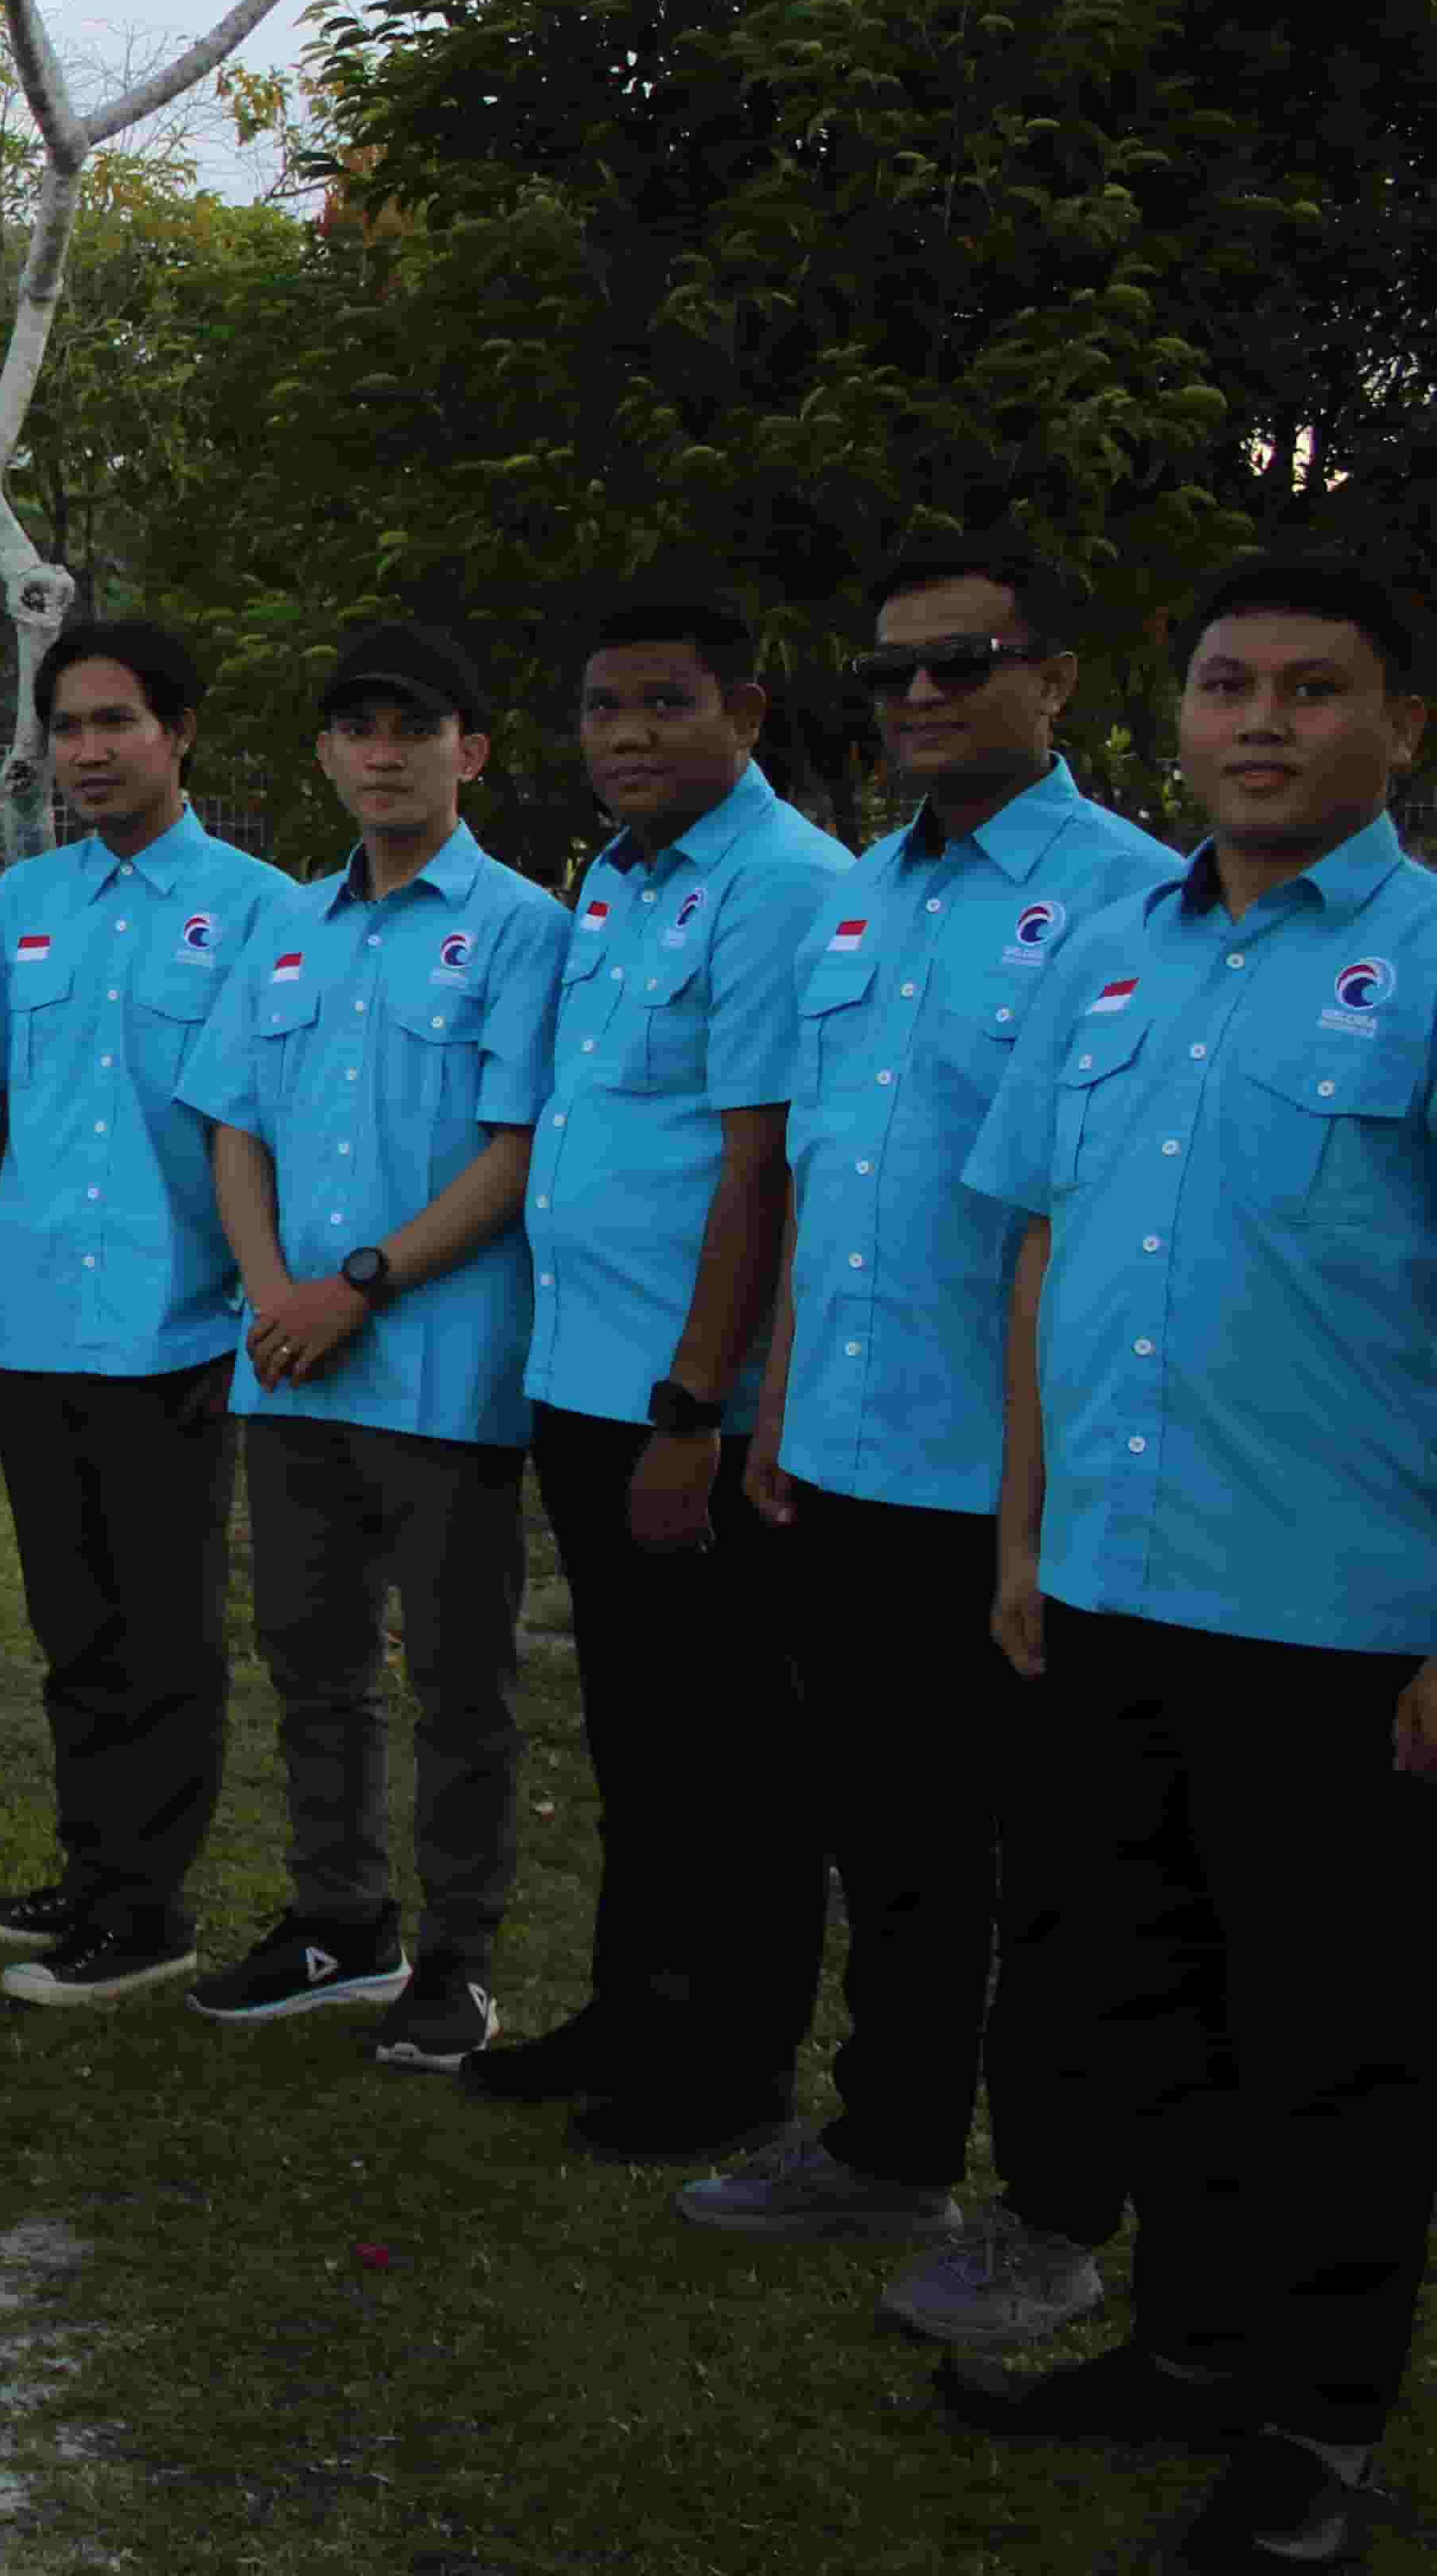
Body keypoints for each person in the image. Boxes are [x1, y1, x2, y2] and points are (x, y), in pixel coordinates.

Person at [938, 559, 1437, 2574]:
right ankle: (1192, 2342)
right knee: (1154, 2008)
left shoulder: (1420, 955)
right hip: (1113, 1584)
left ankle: (1314, 2434)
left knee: (1334, 2039)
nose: (1261, 721)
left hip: (1336, 1620)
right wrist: (1026, 1524)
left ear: (1400, 729)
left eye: (1315, 690)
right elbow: (1048, 1237)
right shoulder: (1117, 952)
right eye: (1229, 682)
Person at [687, 543, 1174, 2336]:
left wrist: (1039, 1507)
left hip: (1021, 1487)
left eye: (962, 662)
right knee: (886, 1831)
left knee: (1054, 1870)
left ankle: (1053, 2213)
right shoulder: (865, 899)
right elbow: (830, 1176)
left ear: (1054, 676)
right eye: (891, 669)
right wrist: (785, 1403)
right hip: (850, 1457)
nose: (917, 695)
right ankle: (887, 2143)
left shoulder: (1135, 900)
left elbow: (1090, 1216)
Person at [475, 584, 851, 2162]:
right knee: (636, 1723)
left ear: (746, 713)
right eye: (605, 707)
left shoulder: (779, 886)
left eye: (666, 703)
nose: (627, 736)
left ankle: (737, 2057)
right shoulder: (620, 882)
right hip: (585, 1370)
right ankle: (638, 2000)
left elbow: (757, 1167)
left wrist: (697, 1408)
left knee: (736, 1747)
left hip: (683, 1401)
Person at [173, 623, 566, 2075]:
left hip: (440, 1369)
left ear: (470, 749)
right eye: (357, 729)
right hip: (287, 1364)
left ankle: (456, 1963)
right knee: (312, 1660)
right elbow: (235, 1120)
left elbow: (517, 1148)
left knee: (462, 1679)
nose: (383, 754)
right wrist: (276, 1289)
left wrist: (357, 1287)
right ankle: (339, 1922)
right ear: (328, 754)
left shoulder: (526, 928)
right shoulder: (287, 926)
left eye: (414, 727)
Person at [0, 617, 293, 2002]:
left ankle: (148, 1913)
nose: (89, 752)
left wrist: (253, 1299)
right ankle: (89, 1873)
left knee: (164, 1632)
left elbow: (263, 1126)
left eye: (117, 724)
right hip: (34, 1323)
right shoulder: (19, 908)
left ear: (181, 732)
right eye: (70, 728)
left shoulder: (265, 909)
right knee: (72, 1624)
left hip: (180, 1326)